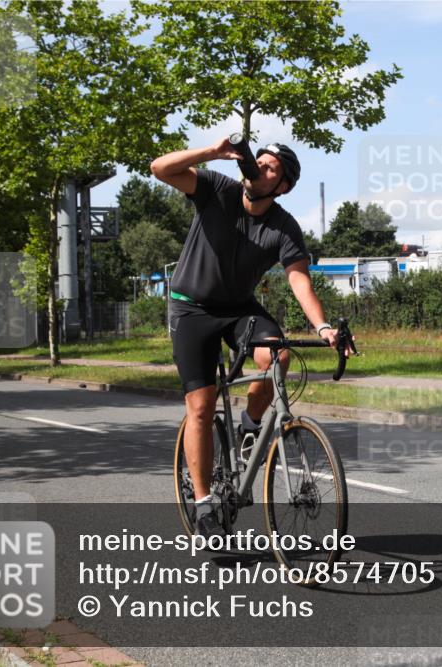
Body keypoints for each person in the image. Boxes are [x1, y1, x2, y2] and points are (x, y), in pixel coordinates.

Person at [150, 136, 350, 537]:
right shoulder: (216, 189)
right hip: (191, 307)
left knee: (278, 357)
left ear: (283, 186)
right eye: (258, 161)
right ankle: (205, 502)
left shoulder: (283, 226)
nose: (259, 168)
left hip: (238, 308)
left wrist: (323, 327)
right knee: (202, 408)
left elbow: (300, 283)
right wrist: (212, 152)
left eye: (270, 167)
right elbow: (160, 168)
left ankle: (250, 425)